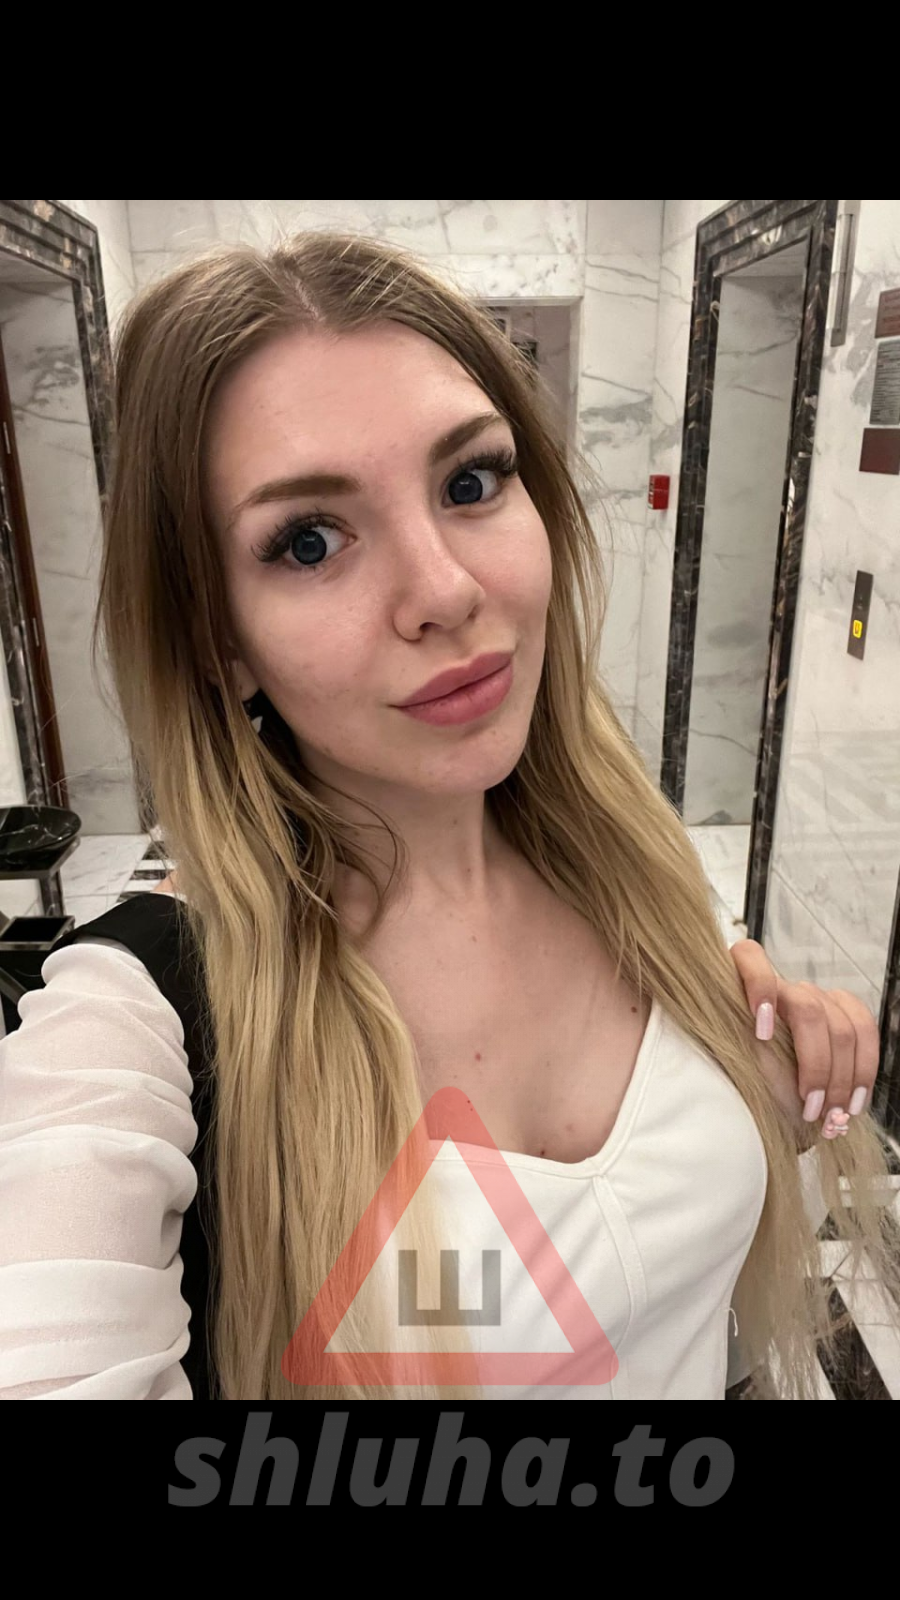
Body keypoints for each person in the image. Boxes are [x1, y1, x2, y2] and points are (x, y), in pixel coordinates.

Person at [0, 232, 897, 1402]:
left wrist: (764, 1088)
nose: (446, 590)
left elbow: (663, 1289)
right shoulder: (130, 1027)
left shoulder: (637, 877)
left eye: (471, 482)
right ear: (218, 638)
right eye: (308, 541)